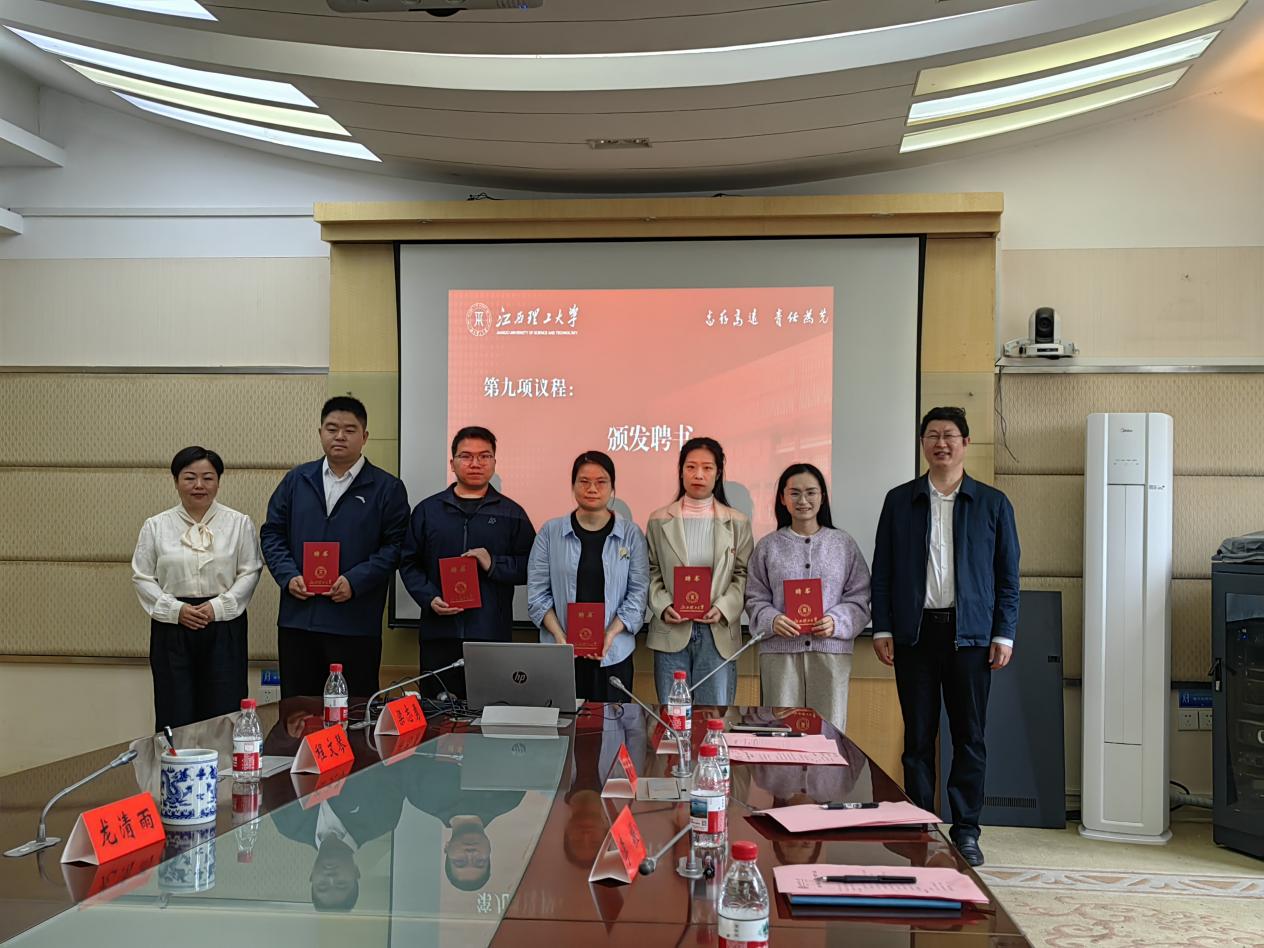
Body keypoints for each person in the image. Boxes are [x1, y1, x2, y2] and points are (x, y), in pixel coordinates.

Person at [871, 406, 1020, 868]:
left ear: (965, 443)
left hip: (970, 636)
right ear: (923, 444)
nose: (941, 443)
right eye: (932, 435)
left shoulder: (992, 503)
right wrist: (883, 626)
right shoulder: (900, 501)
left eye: (950, 435)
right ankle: (918, 825)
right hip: (915, 635)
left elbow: (1008, 578)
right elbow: (883, 571)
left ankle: (967, 829)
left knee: (969, 736)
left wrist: (1004, 633)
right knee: (918, 736)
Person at [260, 396, 409, 700]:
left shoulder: (386, 487)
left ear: (364, 436)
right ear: (320, 433)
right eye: (332, 429)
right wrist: (288, 575)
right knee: (298, 710)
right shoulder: (296, 480)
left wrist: (355, 581)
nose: (339, 436)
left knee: (352, 710)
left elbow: (396, 546)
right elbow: (272, 533)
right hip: (299, 620)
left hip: (354, 622)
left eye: (349, 430)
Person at [132, 446, 262, 731]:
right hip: (173, 625)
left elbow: (250, 571)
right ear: (176, 481)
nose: (199, 485)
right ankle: (175, 760)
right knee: (174, 706)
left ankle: (224, 760)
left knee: (224, 707)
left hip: (224, 624)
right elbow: (142, 577)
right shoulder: (156, 525)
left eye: (208, 478)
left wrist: (218, 607)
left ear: (218, 482)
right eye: (190, 478)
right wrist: (175, 610)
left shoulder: (239, 523)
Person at [400, 426, 535, 699]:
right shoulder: (428, 511)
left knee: (489, 713)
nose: (475, 463)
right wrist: (429, 598)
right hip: (439, 634)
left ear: (494, 462)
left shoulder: (512, 513)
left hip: (490, 635)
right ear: (452, 463)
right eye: (466, 456)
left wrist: (493, 563)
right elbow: (408, 562)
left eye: (484, 456)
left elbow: (532, 567)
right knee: (438, 713)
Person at [745, 463, 871, 731]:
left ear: (822, 497)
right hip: (780, 655)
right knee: (780, 732)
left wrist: (836, 621)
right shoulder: (768, 546)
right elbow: (754, 596)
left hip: (830, 654)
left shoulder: (843, 544)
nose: (803, 500)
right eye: (794, 493)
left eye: (811, 492)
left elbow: (860, 596)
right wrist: (772, 619)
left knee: (828, 733)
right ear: (782, 498)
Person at [527, 451, 649, 701]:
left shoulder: (631, 534)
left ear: (612, 487)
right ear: (573, 485)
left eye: (601, 481)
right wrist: (560, 637)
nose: (592, 488)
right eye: (584, 481)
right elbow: (537, 592)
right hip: (560, 653)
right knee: (562, 724)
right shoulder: (550, 532)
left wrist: (610, 634)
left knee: (613, 724)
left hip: (614, 654)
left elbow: (638, 592)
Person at [645, 436, 753, 704]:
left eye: (707, 468)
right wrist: (663, 605)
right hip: (671, 629)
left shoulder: (737, 522)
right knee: (673, 716)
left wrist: (724, 607)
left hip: (717, 630)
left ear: (718, 473)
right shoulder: (658, 519)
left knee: (713, 716)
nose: (699, 475)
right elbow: (650, 570)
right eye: (691, 467)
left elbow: (743, 575)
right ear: (681, 471)